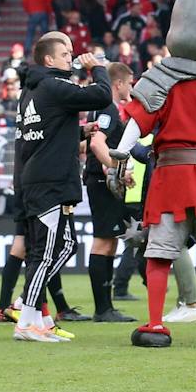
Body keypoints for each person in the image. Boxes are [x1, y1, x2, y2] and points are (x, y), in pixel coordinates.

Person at [12, 32, 113, 344]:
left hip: (43, 177)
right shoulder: (55, 86)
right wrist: (97, 68)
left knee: (66, 245)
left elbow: (50, 129)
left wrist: (79, 131)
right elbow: (102, 96)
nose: (72, 57)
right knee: (44, 253)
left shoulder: (33, 90)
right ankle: (26, 318)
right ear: (48, 60)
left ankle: (37, 315)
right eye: (66, 54)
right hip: (49, 181)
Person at [81, 62, 138, 324]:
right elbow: (96, 143)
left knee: (109, 241)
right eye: (129, 82)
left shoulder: (105, 109)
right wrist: (114, 168)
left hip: (101, 180)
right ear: (118, 84)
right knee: (103, 241)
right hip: (101, 183)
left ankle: (106, 307)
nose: (131, 87)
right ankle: (102, 309)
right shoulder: (109, 109)